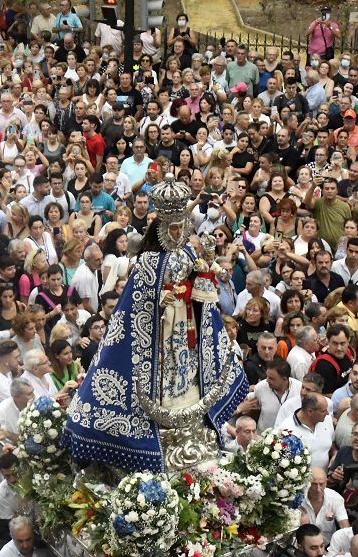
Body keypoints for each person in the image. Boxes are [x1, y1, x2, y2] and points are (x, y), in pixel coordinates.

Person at [64, 177, 248, 471]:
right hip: (156, 331)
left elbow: (201, 291)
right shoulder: (148, 262)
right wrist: (161, 299)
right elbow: (136, 305)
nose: (178, 233)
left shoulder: (189, 253)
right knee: (164, 366)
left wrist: (198, 284)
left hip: (186, 321)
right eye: (173, 228)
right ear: (161, 229)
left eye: (182, 227)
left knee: (184, 365)